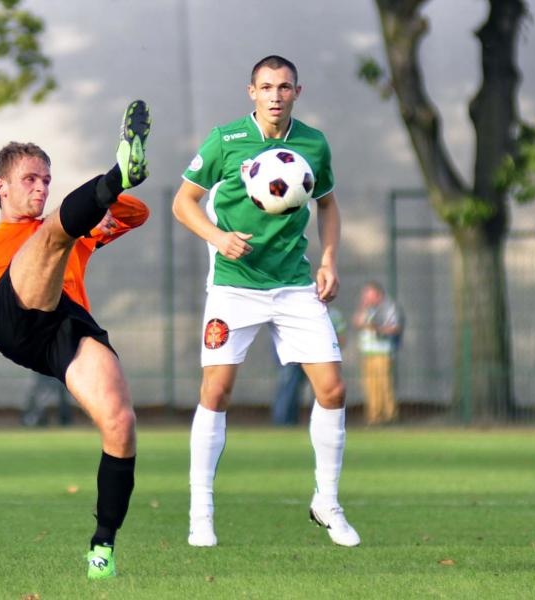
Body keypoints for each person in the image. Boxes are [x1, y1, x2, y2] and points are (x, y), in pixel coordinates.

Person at [0, 99, 151, 580]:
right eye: (30, 179)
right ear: (1, 186)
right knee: (54, 234)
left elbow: (137, 214)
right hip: (9, 317)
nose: (40, 187)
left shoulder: (76, 229)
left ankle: (102, 546)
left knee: (121, 422)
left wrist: (106, 202)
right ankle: (116, 172)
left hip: (64, 325)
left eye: (46, 179)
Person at [172, 55, 360, 547]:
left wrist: (329, 261)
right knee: (216, 392)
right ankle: (201, 511)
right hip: (234, 284)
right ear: (250, 92)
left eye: (284, 87)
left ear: (298, 91)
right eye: (266, 87)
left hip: (294, 284)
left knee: (334, 390)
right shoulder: (226, 140)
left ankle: (327, 502)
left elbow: (329, 204)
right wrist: (218, 237)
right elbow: (182, 203)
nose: (275, 95)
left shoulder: (313, 144)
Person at [20, 198, 149, 428]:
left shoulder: (80, 239)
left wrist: (101, 203)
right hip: (41, 332)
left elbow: (137, 213)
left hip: (71, 330)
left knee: (64, 383)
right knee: (50, 381)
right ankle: (39, 416)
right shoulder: (24, 248)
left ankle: (56, 416)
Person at [271, 306, 346, 426]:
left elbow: (341, 337)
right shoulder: (294, 309)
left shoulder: (333, 314)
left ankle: (323, 423)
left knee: (324, 389)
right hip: (293, 356)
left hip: (320, 357)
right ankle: (283, 422)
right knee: (289, 388)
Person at [352, 280, 404, 426]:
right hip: (367, 353)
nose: (366, 299)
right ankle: (374, 416)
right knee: (370, 385)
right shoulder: (367, 309)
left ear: (378, 295)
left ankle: (390, 415)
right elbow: (357, 322)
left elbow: (395, 328)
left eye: (369, 295)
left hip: (382, 352)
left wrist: (375, 327)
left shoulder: (388, 308)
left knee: (384, 384)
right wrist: (363, 309)